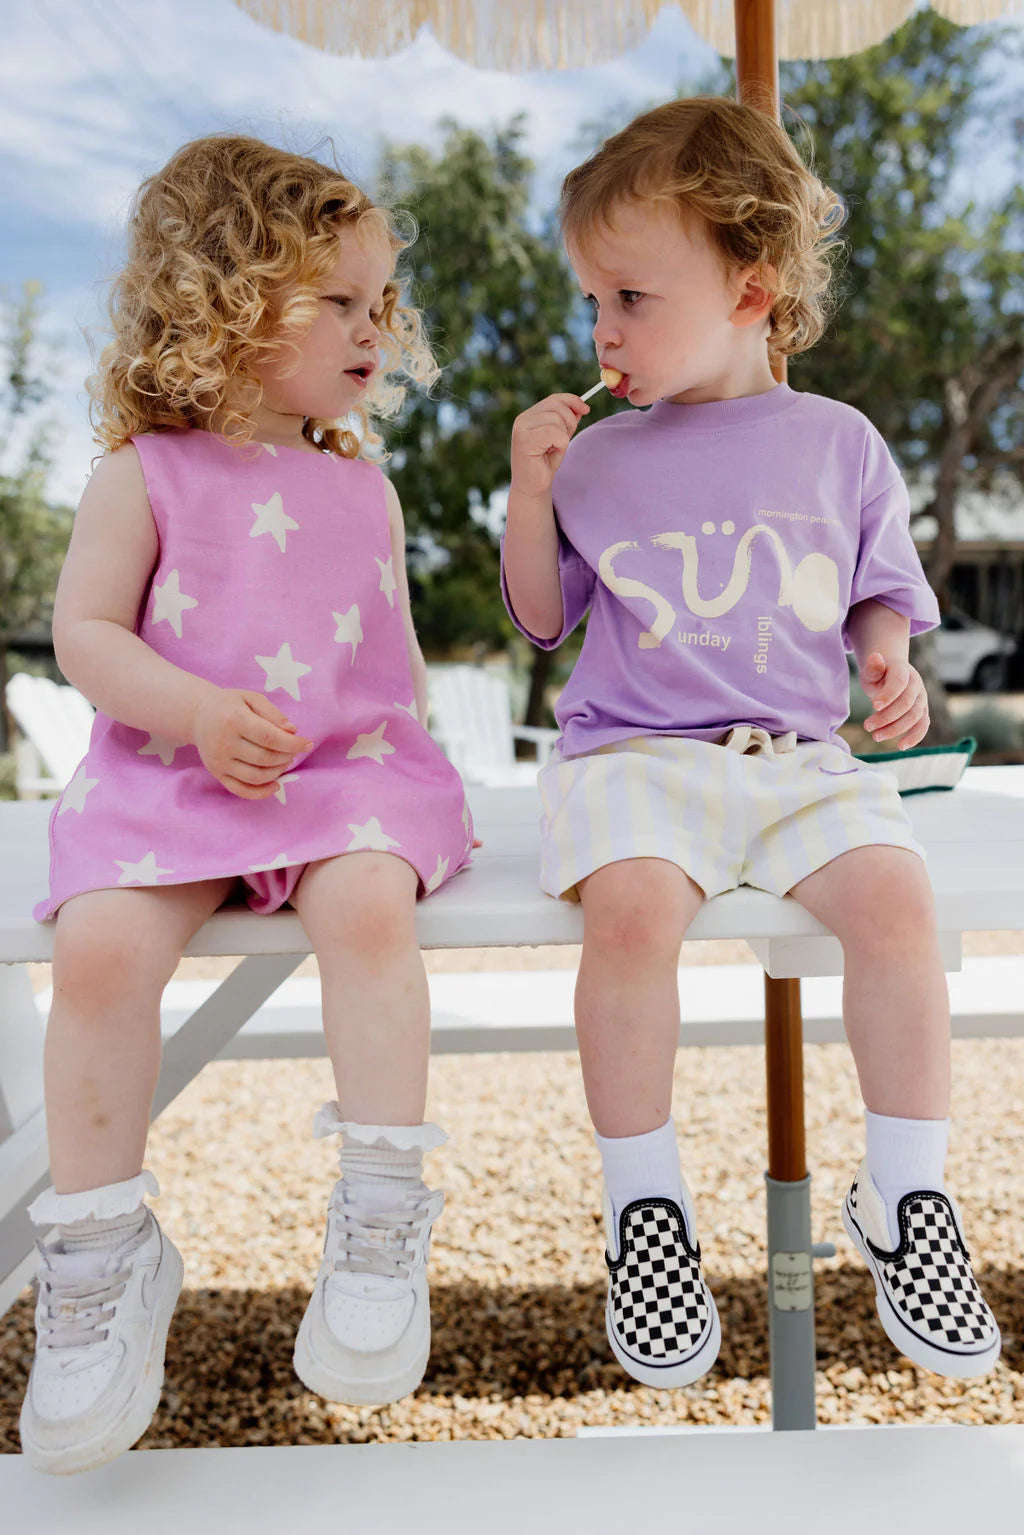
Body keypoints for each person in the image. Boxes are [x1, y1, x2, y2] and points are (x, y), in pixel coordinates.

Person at [502, 97, 1000, 1390]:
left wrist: (886, 654)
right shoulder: (599, 460)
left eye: (630, 294)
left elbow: (878, 588)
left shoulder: (838, 442)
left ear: (747, 286)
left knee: (898, 902)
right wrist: (533, 493)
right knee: (628, 918)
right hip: (633, 759)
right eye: (592, 300)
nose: (603, 330)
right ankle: (644, 1205)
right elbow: (547, 620)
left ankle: (905, 1196)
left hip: (792, 756)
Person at [21, 134, 473, 1474]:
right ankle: (102, 1250)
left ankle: (382, 1210)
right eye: (335, 300)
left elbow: (369, 678)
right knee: (100, 947)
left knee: (370, 907)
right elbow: (86, 636)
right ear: (222, 293)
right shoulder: (143, 474)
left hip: (340, 775)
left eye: (379, 303)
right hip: (173, 768)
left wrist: (320, 752)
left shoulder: (363, 485)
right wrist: (198, 716)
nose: (370, 329)